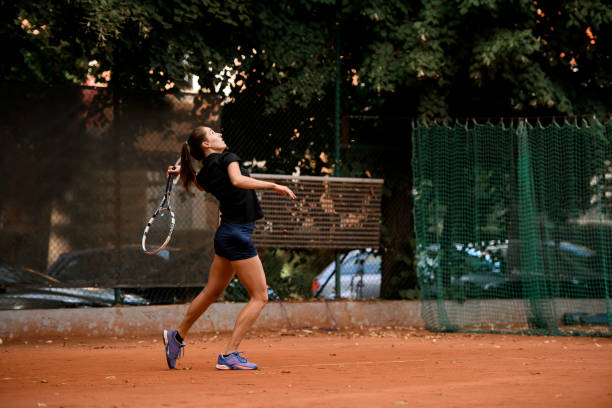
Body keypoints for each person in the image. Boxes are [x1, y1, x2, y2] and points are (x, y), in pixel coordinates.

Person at [162, 126, 295, 370]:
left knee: (212, 292)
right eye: (212, 133)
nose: (219, 134)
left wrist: (184, 170)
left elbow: (202, 183)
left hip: (226, 235)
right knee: (260, 296)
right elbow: (236, 180)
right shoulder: (228, 158)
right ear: (206, 145)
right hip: (237, 236)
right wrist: (273, 185)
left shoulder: (205, 173)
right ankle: (229, 354)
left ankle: (176, 336)